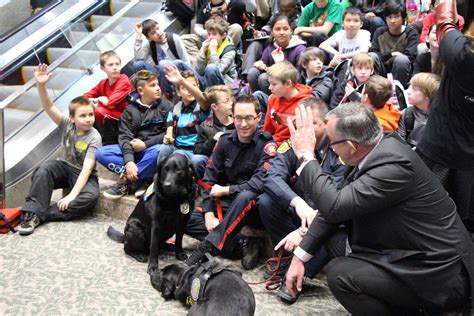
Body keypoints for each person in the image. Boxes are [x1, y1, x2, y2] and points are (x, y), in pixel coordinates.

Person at [281, 102, 474, 314]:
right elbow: (333, 211)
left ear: (352, 146)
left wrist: (307, 157)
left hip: (439, 275)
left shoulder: (395, 166)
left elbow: (334, 206)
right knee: (334, 241)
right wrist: (299, 257)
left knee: (340, 274)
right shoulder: (376, 149)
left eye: (332, 143)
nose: (331, 147)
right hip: (407, 250)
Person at [258, 97, 345, 302]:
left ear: (325, 123)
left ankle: (300, 274)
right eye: (300, 122)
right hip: (300, 212)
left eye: (312, 123)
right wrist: (298, 203)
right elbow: (272, 178)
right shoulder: (291, 144)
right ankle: (288, 258)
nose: (304, 128)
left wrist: (305, 229)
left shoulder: (338, 151)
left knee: (334, 225)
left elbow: (335, 198)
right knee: (265, 201)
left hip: (325, 217)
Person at [185, 95, 277, 270]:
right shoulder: (224, 141)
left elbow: (259, 183)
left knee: (246, 195)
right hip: (229, 205)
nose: (243, 124)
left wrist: (227, 189)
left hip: (255, 207)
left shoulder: (267, 145)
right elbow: (208, 179)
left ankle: (207, 249)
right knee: (185, 218)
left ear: (258, 118)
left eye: (249, 118)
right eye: (239, 118)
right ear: (232, 117)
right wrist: (209, 214)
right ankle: (240, 243)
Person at [19, 64, 101, 236]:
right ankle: (31, 214)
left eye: (90, 115)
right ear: (72, 118)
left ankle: (40, 215)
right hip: (63, 167)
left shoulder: (94, 137)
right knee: (43, 170)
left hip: (82, 174)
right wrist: (41, 84)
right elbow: (49, 107)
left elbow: (87, 169)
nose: (88, 119)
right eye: (83, 115)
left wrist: (72, 196)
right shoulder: (66, 124)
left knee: (90, 197)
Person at [417, 0, 474, 236]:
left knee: (425, 215)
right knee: (465, 225)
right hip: (469, 162)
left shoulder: (463, 54)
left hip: (440, 151)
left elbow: (445, 25)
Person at [96, 70, 172, 199]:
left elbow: (168, 134)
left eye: (157, 84)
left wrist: (145, 144)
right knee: (101, 153)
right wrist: (129, 161)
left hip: (152, 150)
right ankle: (142, 176)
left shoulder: (166, 106)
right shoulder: (129, 111)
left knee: (159, 151)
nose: (158, 88)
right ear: (141, 91)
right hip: (134, 150)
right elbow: (124, 137)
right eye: (152, 85)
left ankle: (129, 181)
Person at [156, 65, 210, 177]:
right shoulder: (176, 108)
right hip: (179, 148)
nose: (189, 91)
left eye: (192, 86)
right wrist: (168, 137)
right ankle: (161, 178)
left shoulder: (201, 107)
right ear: (178, 92)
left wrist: (182, 81)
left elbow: (201, 98)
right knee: (164, 149)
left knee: (191, 159)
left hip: (197, 151)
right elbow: (170, 127)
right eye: (184, 88)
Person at [133, 19, 194, 98]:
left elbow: (186, 62)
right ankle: (150, 89)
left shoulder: (174, 38)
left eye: (158, 29)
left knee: (163, 63)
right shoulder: (151, 44)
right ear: (149, 38)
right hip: (162, 75)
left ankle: (167, 92)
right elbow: (138, 57)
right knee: (137, 64)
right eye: (153, 33)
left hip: (178, 72)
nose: (158, 33)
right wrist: (138, 34)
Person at [241, 0, 301, 80]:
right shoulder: (276, 16)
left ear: (295, 9)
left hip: (288, 43)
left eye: (287, 11)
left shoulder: (299, 18)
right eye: (281, 11)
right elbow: (268, 27)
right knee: (255, 44)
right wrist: (261, 33)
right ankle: (246, 74)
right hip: (271, 40)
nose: (284, 14)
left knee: (263, 78)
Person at [247, 15, 307, 95]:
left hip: (290, 87)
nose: (281, 33)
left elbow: (299, 78)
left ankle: (272, 103)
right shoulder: (271, 47)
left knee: (263, 78)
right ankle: (259, 102)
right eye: (277, 29)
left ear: (291, 31)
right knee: (252, 72)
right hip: (273, 83)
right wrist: (260, 64)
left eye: (285, 29)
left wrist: (281, 64)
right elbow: (264, 63)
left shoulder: (299, 49)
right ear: (272, 32)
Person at [84, 50, 134, 145]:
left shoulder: (124, 80)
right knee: (84, 109)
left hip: (128, 118)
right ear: (102, 68)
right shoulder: (103, 83)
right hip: (113, 118)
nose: (115, 67)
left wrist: (96, 101)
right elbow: (83, 99)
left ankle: (111, 142)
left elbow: (110, 103)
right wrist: (96, 100)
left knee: (99, 111)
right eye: (110, 65)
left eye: (117, 64)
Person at [369, 1, 419, 88]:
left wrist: (387, 59)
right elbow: (373, 52)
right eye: (389, 17)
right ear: (385, 18)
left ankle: (398, 92)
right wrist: (391, 54)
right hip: (382, 69)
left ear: (403, 18)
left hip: (402, 70)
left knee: (402, 59)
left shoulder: (411, 33)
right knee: (371, 56)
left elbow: (410, 57)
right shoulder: (380, 31)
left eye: (397, 17)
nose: (392, 20)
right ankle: (374, 89)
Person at [263, 61, 312, 145]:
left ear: (288, 83)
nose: (270, 87)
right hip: (274, 144)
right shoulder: (272, 99)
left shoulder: (306, 103)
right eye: (269, 83)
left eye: (274, 84)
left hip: (294, 146)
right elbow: (268, 130)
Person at [193, 85, 235, 177]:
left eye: (231, 100)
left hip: (234, 163)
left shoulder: (238, 122)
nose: (231, 103)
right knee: (197, 159)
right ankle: (205, 185)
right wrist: (212, 140)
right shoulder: (206, 125)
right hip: (214, 163)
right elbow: (197, 150)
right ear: (214, 106)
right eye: (227, 101)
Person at [397, 72, 440, 147]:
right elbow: (399, 143)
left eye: (414, 89)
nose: (408, 92)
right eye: (410, 87)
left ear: (428, 95)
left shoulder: (441, 118)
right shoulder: (406, 114)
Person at [194, 16, 238, 88]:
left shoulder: (230, 50)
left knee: (211, 68)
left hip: (228, 83)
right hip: (208, 80)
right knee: (182, 65)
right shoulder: (208, 45)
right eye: (209, 34)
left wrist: (213, 52)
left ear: (223, 35)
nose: (210, 37)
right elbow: (199, 71)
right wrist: (202, 51)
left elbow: (218, 70)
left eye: (214, 34)